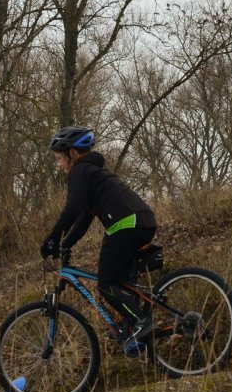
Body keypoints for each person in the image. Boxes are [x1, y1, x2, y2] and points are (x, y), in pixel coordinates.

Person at [40, 126, 158, 343]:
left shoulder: (79, 171)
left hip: (126, 224)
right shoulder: (92, 173)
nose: (59, 165)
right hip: (143, 221)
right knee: (120, 282)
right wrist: (66, 243)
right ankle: (131, 324)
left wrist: (52, 238)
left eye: (59, 158)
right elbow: (85, 217)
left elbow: (72, 209)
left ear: (72, 153)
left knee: (105, 284)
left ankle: (143, 320)